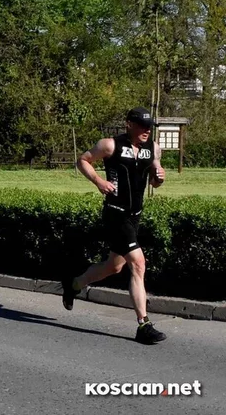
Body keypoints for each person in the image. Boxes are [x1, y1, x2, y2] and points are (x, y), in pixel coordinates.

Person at [62, 107, 167, 345]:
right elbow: (83, 160)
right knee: (138, 263)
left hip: (135, 215)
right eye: (142, 126)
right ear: (129, 124)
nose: (146, 130)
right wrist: (99, 181)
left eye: (149, 127)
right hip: (115, 214)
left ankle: (74, 284)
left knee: (114, 267)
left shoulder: (153, 148)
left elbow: (154, 180)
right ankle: (144, 324)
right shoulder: (110, 145)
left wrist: (159, 178)